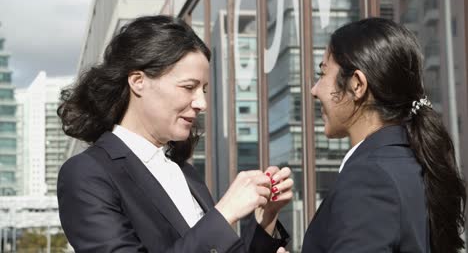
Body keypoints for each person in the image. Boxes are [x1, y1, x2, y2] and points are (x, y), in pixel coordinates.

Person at [57, 15, 293, 253]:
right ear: (138, 81)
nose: (202, 103)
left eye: (203, 90)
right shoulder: (87, 173)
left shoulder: (184, 171)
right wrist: (225, 213)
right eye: (189, 87)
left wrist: (265, 221)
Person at [301, 17, 466, 253]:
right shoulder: (414, 162)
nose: (314, 90)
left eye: (323, 73)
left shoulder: (369, 179)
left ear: (357, 84)